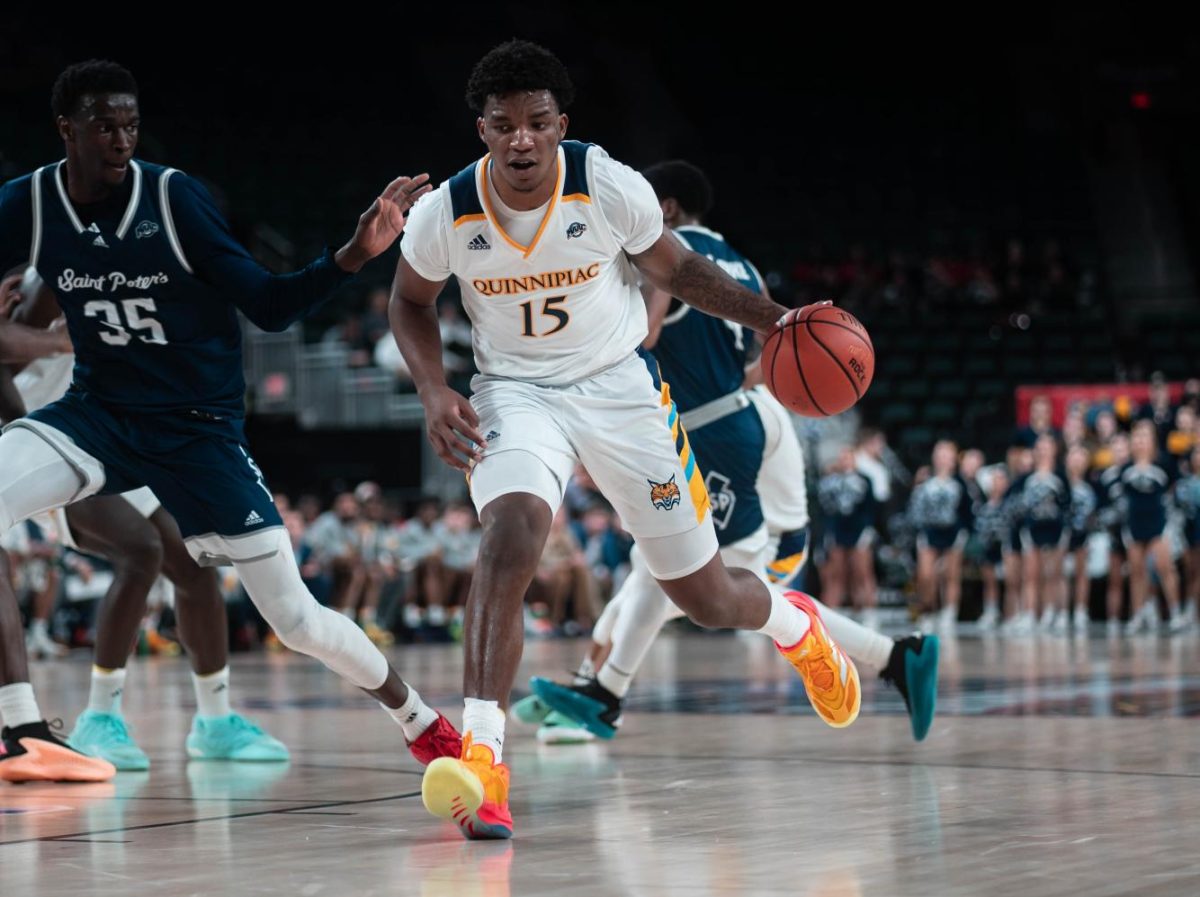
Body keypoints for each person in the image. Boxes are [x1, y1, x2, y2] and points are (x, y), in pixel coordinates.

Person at [390, 41, 862, 840]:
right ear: (483, 131)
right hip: (517, 391)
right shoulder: (448, 213)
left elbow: (680, 275)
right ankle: (484, 758)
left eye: (538, 123)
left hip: (620, 389)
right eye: (504, 126)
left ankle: (795, 625)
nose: (522, 141)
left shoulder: (607, 185)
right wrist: (435, 388)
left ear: (561, 124)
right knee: (511, 536)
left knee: (705, 597)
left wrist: (777, 318)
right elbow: (409, 300)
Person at [0, 59, 460, 782]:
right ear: (66, 130)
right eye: (103, 125)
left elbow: (270, 304)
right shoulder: (26, 203)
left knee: (297, 619)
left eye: (130, 124)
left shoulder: (174, 198)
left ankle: (422, 720)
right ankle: (18, 724)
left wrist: (353, 253)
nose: (121, 139)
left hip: (197, 429)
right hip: (98, 412)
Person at [515, 161, 936, 747]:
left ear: (660, 208)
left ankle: (600, 695)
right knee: (686, 575)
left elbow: (647, 333)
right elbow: (773, 348)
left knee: (702, 579)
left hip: (711, 432)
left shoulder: (667, 251)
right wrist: (731, 389)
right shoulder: (739, 260)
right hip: (751, 417)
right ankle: (593, 688)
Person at [3, 269, 289, 768]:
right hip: (53, 445)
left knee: (193, 561)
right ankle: (100, 718)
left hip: (113, 436)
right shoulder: (50, 269)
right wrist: (27, 417)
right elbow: (6, 356)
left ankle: (216, 723)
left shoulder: (140, 266)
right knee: (141, 550)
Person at [1119, 420, 1186, 634]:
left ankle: (1176, 613)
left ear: (1153, 441)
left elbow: (1174, 491)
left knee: (1165, 568)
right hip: (1134, 525)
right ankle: (1138, 615)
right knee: (1137, 572)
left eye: (1144, 437)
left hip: (1159, 524)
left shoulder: (1164, 465)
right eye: (1136, 437)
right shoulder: (1125, 469)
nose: (1140, 441)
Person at [908, 440, 972, 632]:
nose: (943, 459)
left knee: (951, 575)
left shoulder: (960, 483)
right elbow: (915, 509)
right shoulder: (925, 481)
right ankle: (928, 610)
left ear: (953, 459)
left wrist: (962, 533)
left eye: (947, 455)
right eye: (940, 454)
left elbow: (967, 511)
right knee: (926, 574)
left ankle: (949, 612)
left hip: (952, 532)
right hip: (929, 531)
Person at [1010, 435, 1072, 633]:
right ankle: (1030, 614)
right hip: (1032, 529)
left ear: (1055, 450)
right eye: (1040, 447)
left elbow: (1068, 504)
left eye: (1048, 446)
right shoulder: (1026, 478)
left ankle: (1058, 613)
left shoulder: (1061, 476)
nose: (1044, 450)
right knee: (1031, 574)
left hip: (1056, 529)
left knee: (1055, 573)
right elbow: (1014, 502)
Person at [817, 446, 879, 625]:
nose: (844, 461)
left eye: (848, 457)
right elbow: (825, 507)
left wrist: (867, 531)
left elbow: (872, 508)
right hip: (837, 531)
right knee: (836, 573)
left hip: (859, 531)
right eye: (841, 458)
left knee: (862, 572)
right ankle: (830, 614)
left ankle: (868, 611)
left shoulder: (864, 480)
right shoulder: (830, 480)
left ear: (854, 460)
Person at [1065, 444, 1099, 632]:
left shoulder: (1092, 485)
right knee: (1058, 574)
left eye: (1081, 457)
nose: (1077, 461)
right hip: (1062, 534)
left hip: (1083, 534)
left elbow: (1095, 513)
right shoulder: (1060, 482)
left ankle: (1080, 610)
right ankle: (1060, 611)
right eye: (1074, 456)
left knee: (1081, 572)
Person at [972, 465, 1009, 631]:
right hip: (989, 550)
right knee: (989, 579)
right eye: (994, 480)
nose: (997, 484)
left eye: (1000, 480)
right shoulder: (984, 507)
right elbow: (980, 530)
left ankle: (1011, 612)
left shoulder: (1009, 504)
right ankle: (991, 610)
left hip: (1008, 549)